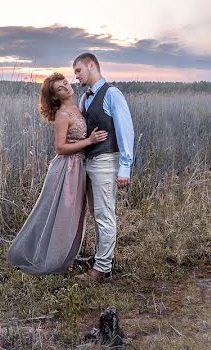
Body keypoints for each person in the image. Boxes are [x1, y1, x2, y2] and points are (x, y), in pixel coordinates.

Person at [6, 72, 108, 275]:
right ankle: (50, 258)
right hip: (67, 169)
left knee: (75, 214)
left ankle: (65, 255)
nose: (66, 87)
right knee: (62, 214)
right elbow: (60, 148)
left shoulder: (77, 107)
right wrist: (89, 141)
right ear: (55, 96)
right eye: (60, 88)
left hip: (78, 167)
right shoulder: (63, 114)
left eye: (65, 82)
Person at [71, 52, 135, 281]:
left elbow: (126, 131)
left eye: (78, 70)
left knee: (105, 214)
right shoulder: (84, 99)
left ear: (91, 65)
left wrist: (125, 168)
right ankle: (101, 258)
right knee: (96, 213)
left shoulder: (112, 94)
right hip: (89, 163)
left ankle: (103, 268)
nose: (76, 76)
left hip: (107, 161)